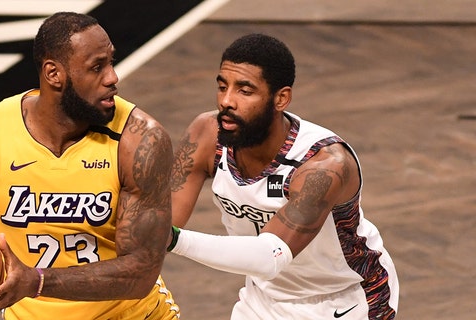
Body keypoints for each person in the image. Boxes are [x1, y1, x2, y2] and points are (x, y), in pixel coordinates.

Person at [0, 12, 179, 320]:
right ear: (53, 74)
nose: (112, 77)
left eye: (111, 62)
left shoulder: (139, 142)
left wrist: (36, 281)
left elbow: (141, 272)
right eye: (97, 67)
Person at [167, 33, 399, 319]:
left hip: (343, 300)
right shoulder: (206, 133)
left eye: (245, 90)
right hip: (264, 296)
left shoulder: (324, 166)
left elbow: (269, 256)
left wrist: (174, 240)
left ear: (281, 98)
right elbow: (165, 220)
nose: (226, 101)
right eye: (222, 86)